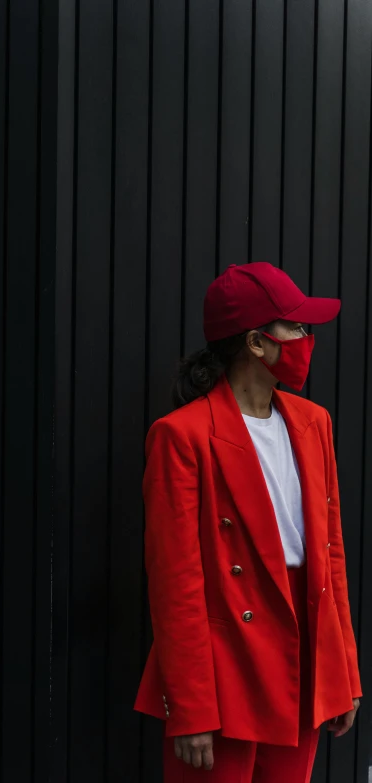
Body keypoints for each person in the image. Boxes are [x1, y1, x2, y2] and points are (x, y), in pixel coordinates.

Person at [134, 263, 362, 782]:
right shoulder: (182, 436)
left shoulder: (313, 422)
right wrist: (190, 706)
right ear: (257, 343)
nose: (308, 338)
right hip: (225, 667)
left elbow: (331, 558)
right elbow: (177, 585)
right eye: (297, 327)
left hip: (303, 653)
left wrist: (343, 670)